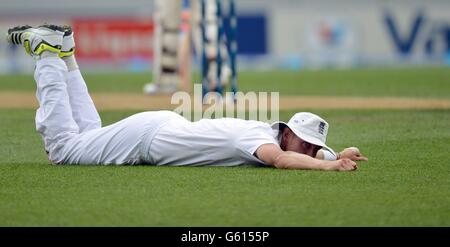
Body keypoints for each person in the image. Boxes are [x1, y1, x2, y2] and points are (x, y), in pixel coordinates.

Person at [6, 24, 368, 171]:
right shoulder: (261, 141)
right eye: (305, 143)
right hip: (149, 139)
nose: (307, 150)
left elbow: (299, 153)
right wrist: (328, 165)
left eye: (311, 147)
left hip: (158, 130)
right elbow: (283, 161)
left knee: (86, 134)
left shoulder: (274, 133)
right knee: (63, 150)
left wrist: (333, 152)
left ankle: (65, 52)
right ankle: (48, 55)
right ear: (286, 132)